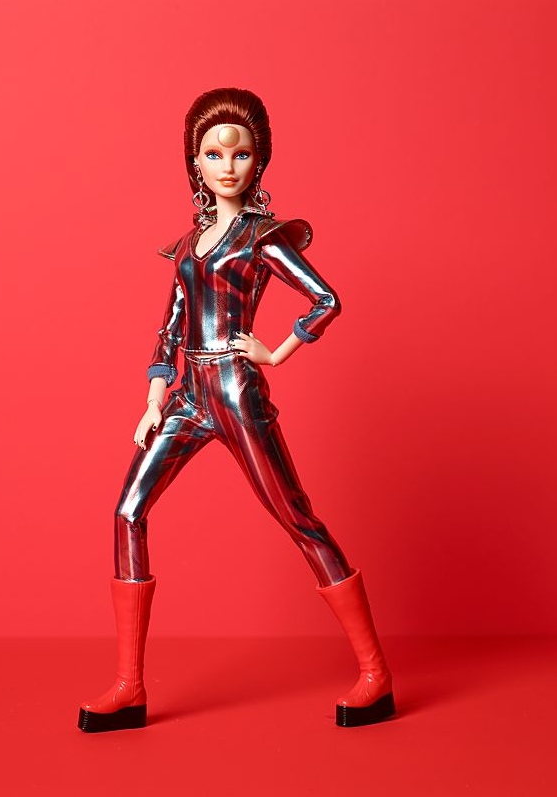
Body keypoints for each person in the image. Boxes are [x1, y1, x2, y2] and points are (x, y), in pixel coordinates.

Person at [78, 88, 395, 732]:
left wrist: (274, 353)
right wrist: (153, 399)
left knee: (296, 517)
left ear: (259, 161)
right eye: (214, 153)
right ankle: (130, 685)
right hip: (189, 396)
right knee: (128, 511)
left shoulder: (260, 238)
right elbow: (171, 324)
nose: (228, 166)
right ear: (195, 161)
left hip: (236, 389)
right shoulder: (191, 243)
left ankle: (375, 675)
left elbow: (325, 298)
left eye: (241, 153)